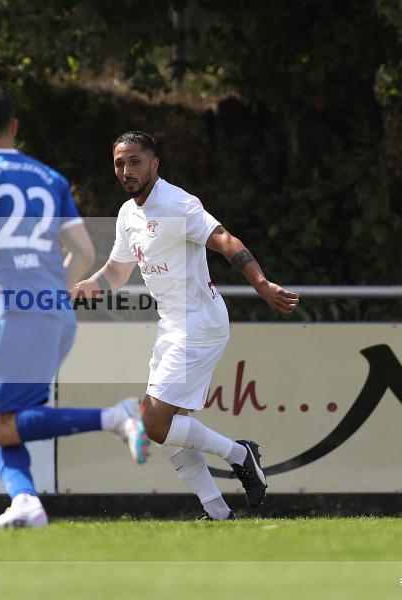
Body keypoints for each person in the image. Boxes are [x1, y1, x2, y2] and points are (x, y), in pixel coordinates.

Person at [0, 85, 150, 532]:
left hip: (21, 315)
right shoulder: (49, 177)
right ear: (14, 126)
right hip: (56, 313)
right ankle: (25, 502)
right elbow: (83, 252)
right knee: (5, 424)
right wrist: (50, 291)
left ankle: (116, 417)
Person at [73, 131, 299, 520]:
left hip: (200, 324)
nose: (126, 171)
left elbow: (225, 239)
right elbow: (116, 273)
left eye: (135, 162)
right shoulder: (128, 215)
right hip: (172, 326)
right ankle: (217, 511)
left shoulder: (178, 203)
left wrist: (262, 283)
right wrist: (88, 287)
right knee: (166, 427)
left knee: (151, 423)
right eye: (119, 164)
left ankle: (239, 453)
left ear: (155, 164)